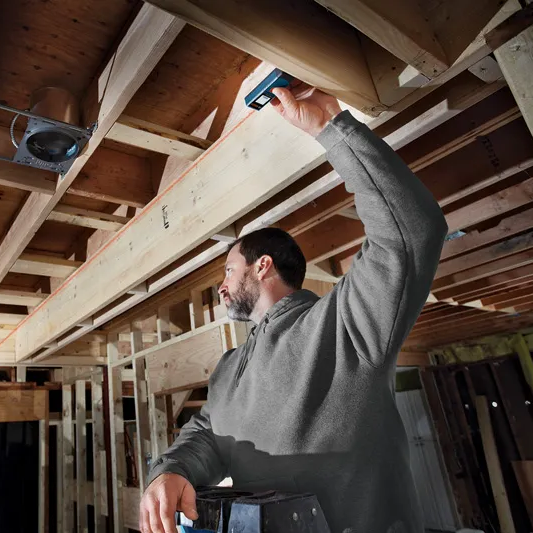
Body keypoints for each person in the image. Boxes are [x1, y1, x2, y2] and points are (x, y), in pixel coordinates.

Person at [139, 82, 448, 533]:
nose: (221, 290)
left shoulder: (342, 325)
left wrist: (332, 128)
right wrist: (171, 470)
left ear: (262, 266)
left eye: (228, 271)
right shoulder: (230, 368)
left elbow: (411, 233)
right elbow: (206, 435)